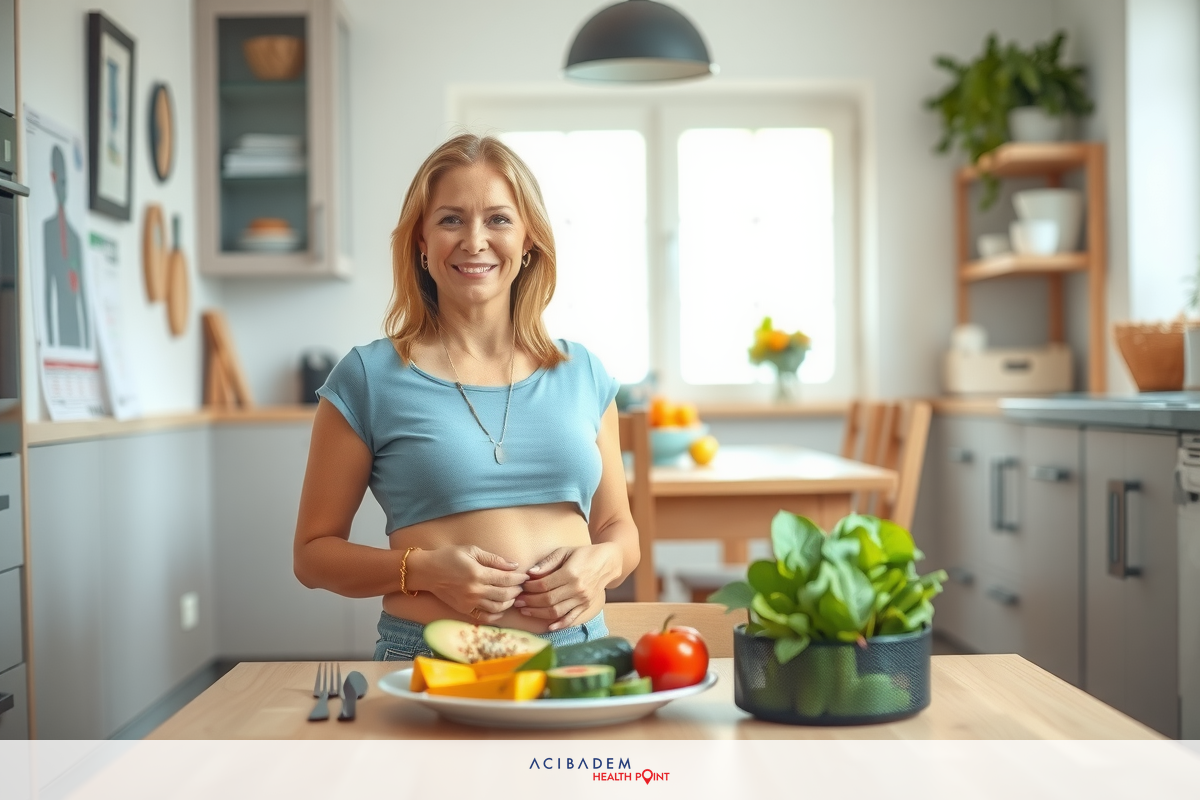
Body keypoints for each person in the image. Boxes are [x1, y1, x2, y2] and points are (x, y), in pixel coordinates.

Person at [293, 133, 640, 661]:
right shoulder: (368, 377)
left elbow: (618, 530)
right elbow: (313, 556)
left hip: (579, 651)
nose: (475, 241)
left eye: (498, 219)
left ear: (528, 241)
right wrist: (422, 570)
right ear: (421, 242)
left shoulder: (583, 372)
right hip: (434, 659)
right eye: (451, 219)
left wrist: (603, 563)